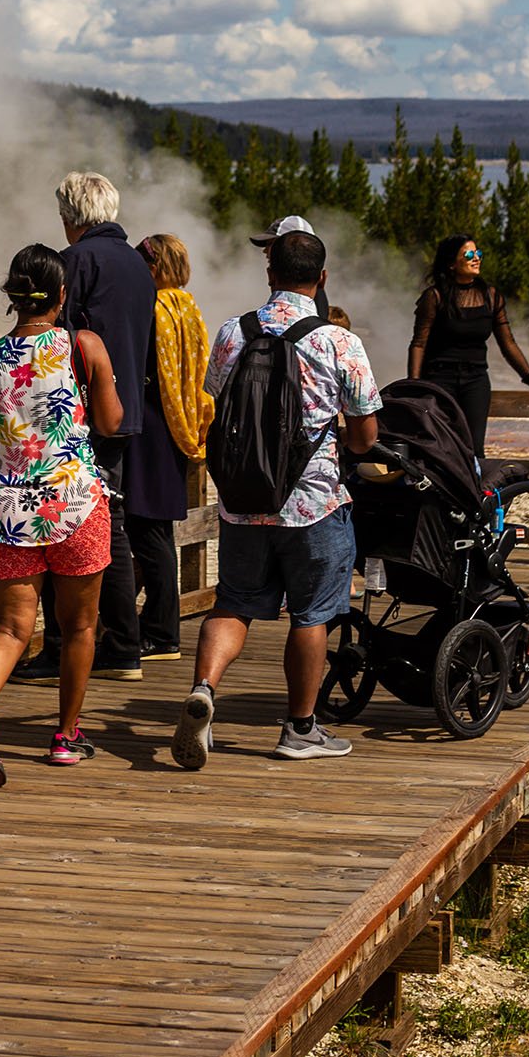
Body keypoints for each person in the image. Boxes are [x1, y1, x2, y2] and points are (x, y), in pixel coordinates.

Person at [173, 221, 382, 767]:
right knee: (311, 615)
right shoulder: (341, 341)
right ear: (323, 277)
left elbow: (213, 403)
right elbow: (364, 437)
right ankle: (300, 729)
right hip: (313, 501)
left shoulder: (232, 332)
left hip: (244, 500)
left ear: (269, 272)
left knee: (233, 604)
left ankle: (203, 691)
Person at [0, 246, 128, 786]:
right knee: (78, 625)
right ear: (60, 295)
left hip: (9, 507)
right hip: (74, 502)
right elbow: (111, 420)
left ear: (11, 296)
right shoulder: (84, 345)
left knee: (9, 625)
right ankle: (66, 737)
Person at [36, 171, 165, 685]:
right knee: (110, 526)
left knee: (61, 527)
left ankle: (60, 649)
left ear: (70, 216)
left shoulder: (76, 262)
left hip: (82, 417)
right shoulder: (137, 262)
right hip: (125, 411)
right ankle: (125, 646)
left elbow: (58, 342)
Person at [137, 232, 213, 664]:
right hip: (178, 424)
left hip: (152, 422)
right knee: (159, 530)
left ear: (155, 268)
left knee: (149, 533)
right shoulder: (189, 307)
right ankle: (156, 625)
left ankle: (161, 632)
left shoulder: (156, 308)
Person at [405, 234, 529, 456]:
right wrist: (414, 385)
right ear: (452, 263)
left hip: (475, 380)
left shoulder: (491, 296)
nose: (476, 258)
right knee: (441, 445)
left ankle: (473, 490)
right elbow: (419, 344)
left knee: (474, 447)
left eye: (478, 253)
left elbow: (507, 342)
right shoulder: (434, 297)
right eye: (469, 254)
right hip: (439, 378)